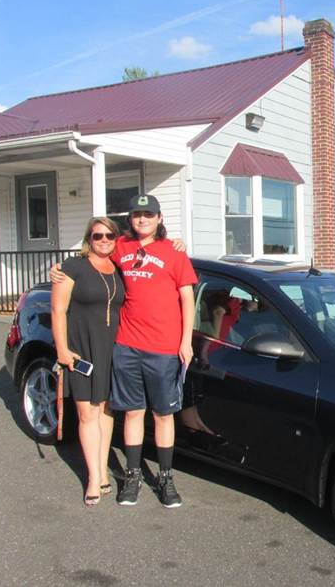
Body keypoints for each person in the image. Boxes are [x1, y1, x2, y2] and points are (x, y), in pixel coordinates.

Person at [109, 194, 197, 508]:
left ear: (159, 218)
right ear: (130, 219)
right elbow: (91, 252)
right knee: (133, 412)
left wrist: (185, 341)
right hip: (127, 346)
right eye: (137, 215)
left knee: (163, 414)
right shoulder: (121, 247)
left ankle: (165, 478)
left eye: (149, 214)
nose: (142, 220)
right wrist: (61, 269)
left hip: (164, 348)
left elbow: (188, 298)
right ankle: (132, 476)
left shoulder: (174, 254)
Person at [51, 217, 124, 506]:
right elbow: (58, 310)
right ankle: (93, 477)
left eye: (110, 235)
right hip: (82, 349)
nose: (104, 240)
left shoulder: (119, 268)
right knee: (86, 414)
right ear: (88, 239)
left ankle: (103, 467)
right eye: (97, 236)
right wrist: (62, 350)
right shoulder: (72, 267)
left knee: (107, 411)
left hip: (113, 349)